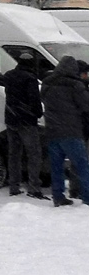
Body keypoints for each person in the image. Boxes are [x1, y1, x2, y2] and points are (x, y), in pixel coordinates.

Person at [37, 56, 89, 206]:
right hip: (71, 131)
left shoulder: (47, 83)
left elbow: (43, 100)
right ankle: (87, 196)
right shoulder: (75, 85)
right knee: (82, 165)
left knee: (56, 167)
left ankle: (58, 196)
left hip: (52, 131)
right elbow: (86, 105)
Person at [0, 50, 45, 198]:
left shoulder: (9, 75)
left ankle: (14, 186)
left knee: (14, 154)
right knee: (34, 154)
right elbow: (34, 101)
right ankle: (34, 187)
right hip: (27, 121)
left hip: (11, 119)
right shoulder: (30, 78)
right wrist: (38, 114)